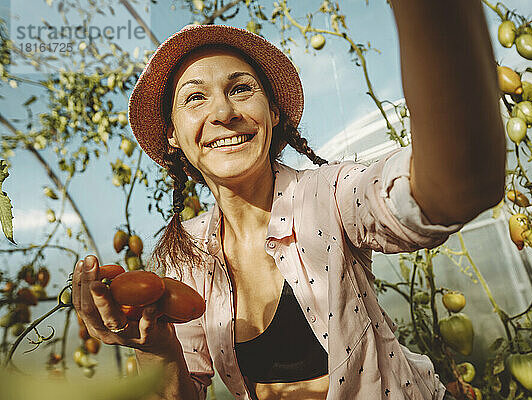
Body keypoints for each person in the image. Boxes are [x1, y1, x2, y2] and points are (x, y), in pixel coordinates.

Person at [72, 1, 506, 399]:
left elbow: (454, 187)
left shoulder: (328, 197)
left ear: (273, 112)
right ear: (172, 134)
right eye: (195, 97)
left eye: (241, 89)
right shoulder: (187, 255)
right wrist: (159, 349)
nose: (223, 113)